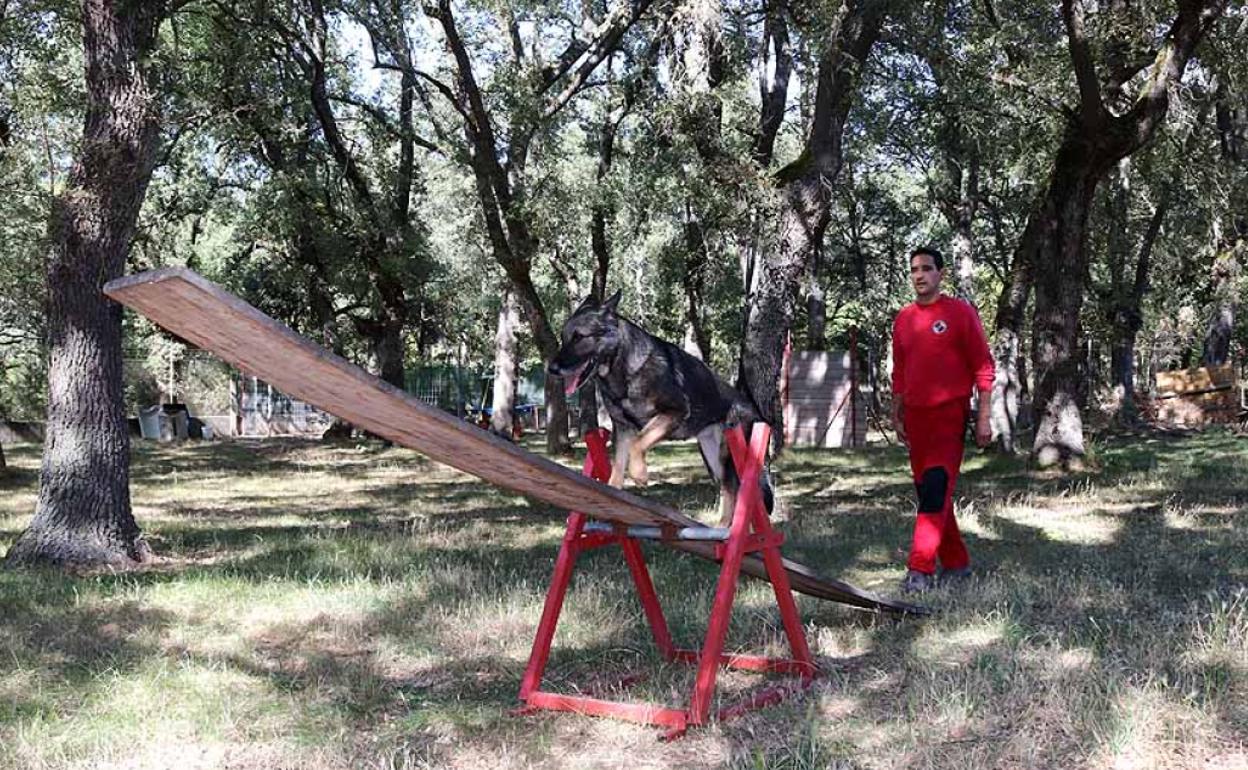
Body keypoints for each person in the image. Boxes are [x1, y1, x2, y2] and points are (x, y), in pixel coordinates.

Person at [891, 247, 994, 593]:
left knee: (935, 488)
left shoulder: (960, 313)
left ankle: (919, 570)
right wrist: (897, 410)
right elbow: (900, 371)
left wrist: (983, 418)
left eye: (927, 269)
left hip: (949, 415)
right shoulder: (903, 318)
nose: (919, 275)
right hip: (916, 419)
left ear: (940, 274)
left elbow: (984, 366)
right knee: (931, 493)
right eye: (914, 269)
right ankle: (956, 563)